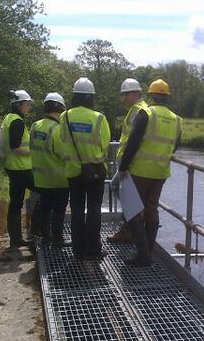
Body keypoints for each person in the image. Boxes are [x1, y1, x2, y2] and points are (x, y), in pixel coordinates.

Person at [118, 79, 182, 266]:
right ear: (166, 96)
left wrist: (123, 167)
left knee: (132, 211)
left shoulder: (145, 113)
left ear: (150, 94)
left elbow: (133, 143)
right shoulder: (176, 119)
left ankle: (143, 254)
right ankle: (149, 251)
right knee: (151, 208)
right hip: (161, 172)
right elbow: (175, 145)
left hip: (140, 170)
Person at [60, 78, 111, 260]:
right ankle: (93, 248)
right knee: (94, 209)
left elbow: (63, 139)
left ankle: (78, 248)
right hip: (95, 173)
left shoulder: (64, 116)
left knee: (77, 209)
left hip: (73, 172)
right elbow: (105, 147)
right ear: (91, 97)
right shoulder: (99, 118)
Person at [107, 78, 149, 244]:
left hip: (132, 163)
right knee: (118, 188)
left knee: (117, 188)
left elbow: (135, 140)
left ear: (136, 94)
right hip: (128, 162)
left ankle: (132, 225)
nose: (122, 98)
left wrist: (124, 165)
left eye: (126, 94)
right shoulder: (135, 110)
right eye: (122, 95)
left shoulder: (140, 111)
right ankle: (133, 222)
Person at [29, 93, 69, 247]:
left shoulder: (35, 125)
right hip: (58, 180)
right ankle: (57, 239)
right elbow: (63, 154)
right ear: (61, 108)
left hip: (40, 178)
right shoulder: (57, 129)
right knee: (59, 210)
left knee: (44, 208)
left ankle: (45, 237)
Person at [0, 89, 37, 248]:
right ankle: (36, 232)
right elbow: (15, 147)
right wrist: (33, 153)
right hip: (21, 168)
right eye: (28, 104)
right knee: (44, 191)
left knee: (16, 202)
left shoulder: (9, 118)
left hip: (13, 167)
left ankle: (15, 239)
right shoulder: (17, 122)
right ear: (19, 105)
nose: (29, 107)